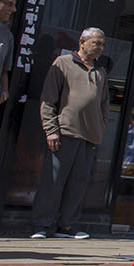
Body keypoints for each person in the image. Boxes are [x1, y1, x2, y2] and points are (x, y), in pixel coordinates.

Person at [32, 27, 110, 240]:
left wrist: (101, 127)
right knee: (53, 181)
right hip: (65, 131)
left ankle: (67, 226)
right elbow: (48, 99)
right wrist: (51, 130)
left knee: (78, 184)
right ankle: (42, 225)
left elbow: (104, 104)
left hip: (89, 136)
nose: (100, 48)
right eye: (96, 43)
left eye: (102, 44)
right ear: (82, 42)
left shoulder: (100, 72)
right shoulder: (63, 63)